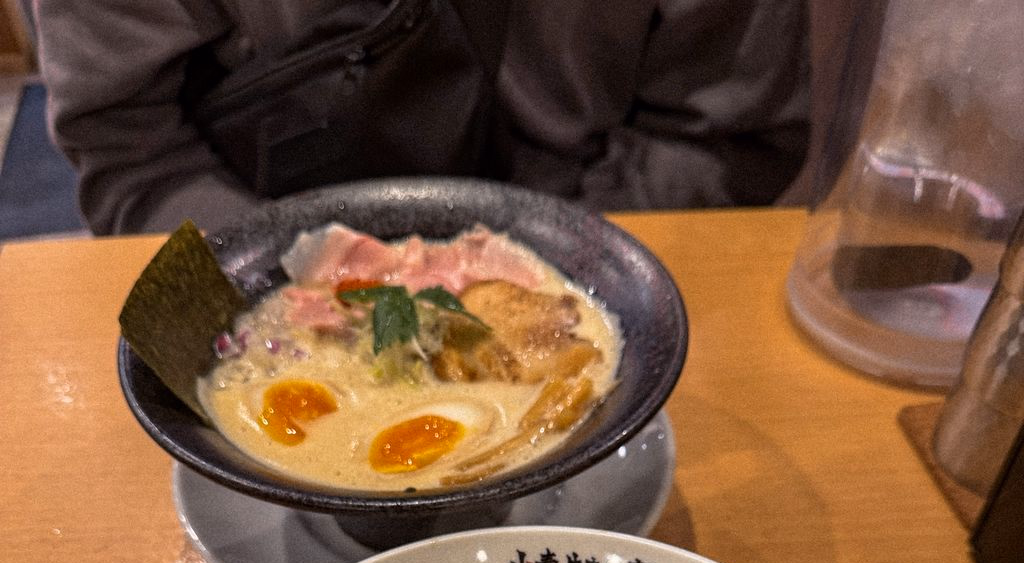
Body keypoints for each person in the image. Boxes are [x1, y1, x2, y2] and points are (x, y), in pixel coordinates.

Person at [32, 0, 810, 236]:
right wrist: (278, 307)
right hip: (266, 262)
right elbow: (131, 151)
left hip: (592, 238)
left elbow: (726, 142)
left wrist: (553, 279)